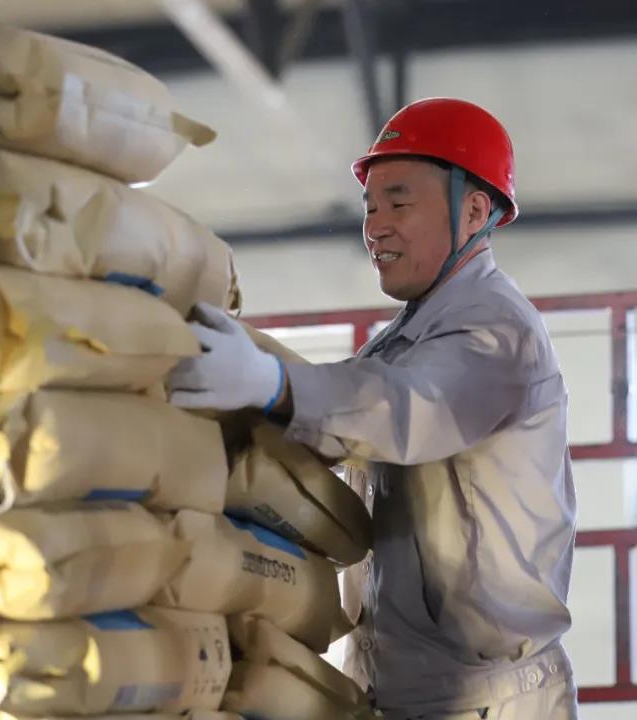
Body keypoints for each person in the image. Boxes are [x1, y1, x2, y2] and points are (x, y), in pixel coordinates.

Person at [169, 97, 579, 720]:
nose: (376, 227)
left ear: (473, 211)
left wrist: (270, 381)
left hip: (488, 700)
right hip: (402, 690)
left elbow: (407, 410)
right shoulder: (404, 337)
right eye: (369, 208)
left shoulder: (497, 330)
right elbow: (338, 427)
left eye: (399, 203)